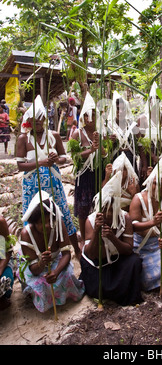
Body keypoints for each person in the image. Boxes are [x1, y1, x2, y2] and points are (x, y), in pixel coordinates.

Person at [16, 95, 81, 259]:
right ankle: (33, 254)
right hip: (32, 185)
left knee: (61, 213)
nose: (38, 123)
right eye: (34, 120)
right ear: (29, 121)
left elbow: (63, 157)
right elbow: (20, 166)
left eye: (40, 120)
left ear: (45, 119)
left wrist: (54, 160)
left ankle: (76, 250)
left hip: (53, 183)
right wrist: (41, 163)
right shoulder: (23, 139)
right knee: (36, 216)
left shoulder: (54, 135)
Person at [79, 171, 143, 306]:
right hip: (98, 263)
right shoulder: (90, 221)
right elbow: (90, 254)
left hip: (118, 259)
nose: (108, 214)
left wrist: (112, 238)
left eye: (111, 210)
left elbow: (128, 250)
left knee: (135, 261)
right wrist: (97, 232)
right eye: (104, 210)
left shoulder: (125, 218)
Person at [17, 191, 85, 313]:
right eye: (41, 223)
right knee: (40, 285)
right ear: (34, 223)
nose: (47, 225)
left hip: (55, 263)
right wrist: (41, 263)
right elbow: (34, 269)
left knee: (67, 276)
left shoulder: (58, 224)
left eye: (49, 220)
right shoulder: (26, 235)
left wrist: (56, 272)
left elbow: (66, 254)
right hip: (36, 267)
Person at [129, 154, 162, 291]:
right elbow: (133, 226)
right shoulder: (138, 199)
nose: (157, 187)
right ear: (150, 182)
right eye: (155, 183)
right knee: (148, 276)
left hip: (159, 243)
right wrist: (152, 222)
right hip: (142, 243)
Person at [68, 92, 103, 242]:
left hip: (98, 174)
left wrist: (100, 145)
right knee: (83, 208)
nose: (91, 119)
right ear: (83, 117)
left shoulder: (100, 133)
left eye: (94, 115)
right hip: (84, 176)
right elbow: (74, 156)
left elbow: (105, 154)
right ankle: (83, 237)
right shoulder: (77, 133)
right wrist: (90, 151)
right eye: (87, 115)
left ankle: (96, 236)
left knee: (98, 206)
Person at [136, 82, 162, 183]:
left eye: (157, 99)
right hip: (148, 159)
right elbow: (140, 144)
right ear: (149, 102)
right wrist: (146, 163)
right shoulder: (142, 119)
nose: (154, 103)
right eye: (152, 100)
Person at [107, 90, 139, 172]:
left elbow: (139, 145)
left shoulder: (132, 125)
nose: (120, 112)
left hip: (130, 159)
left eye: (123, 109)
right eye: (118, 109)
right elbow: (104, 149)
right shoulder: (109, 126)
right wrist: (109, 141)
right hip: (115, 158)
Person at [0, 215, 14, 310]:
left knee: (5, 282)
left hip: (1, 261)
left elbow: (6, 251)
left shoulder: (0, 223)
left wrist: (0, 270)